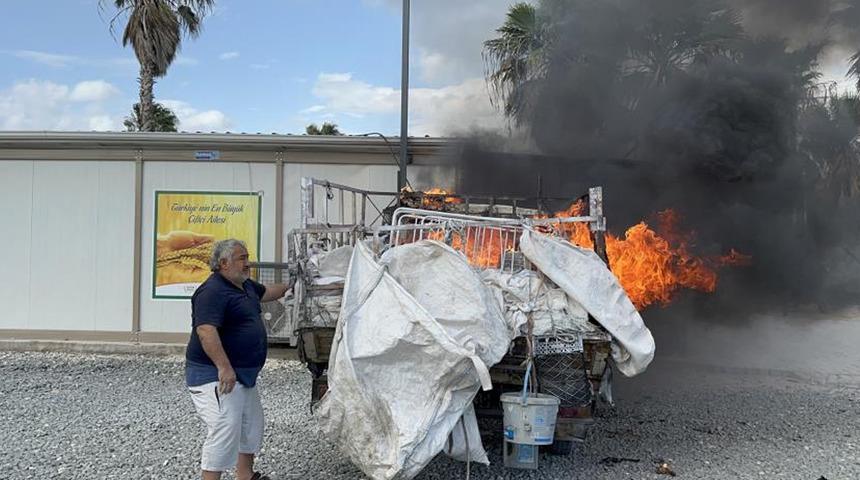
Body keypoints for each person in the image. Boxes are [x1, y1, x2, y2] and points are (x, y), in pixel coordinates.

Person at [185, 239, 291, 480]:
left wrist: (291, 286)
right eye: (241, 258)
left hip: (244, 374)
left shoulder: (244, 286)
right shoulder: (211, 291)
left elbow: (266, 292)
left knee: (251, 425)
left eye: (247, 257)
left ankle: (245, 475)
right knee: (225, 428)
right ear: (223, 263)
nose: (247, 262)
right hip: (215, 375)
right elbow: (206, 331)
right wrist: (224, 367)